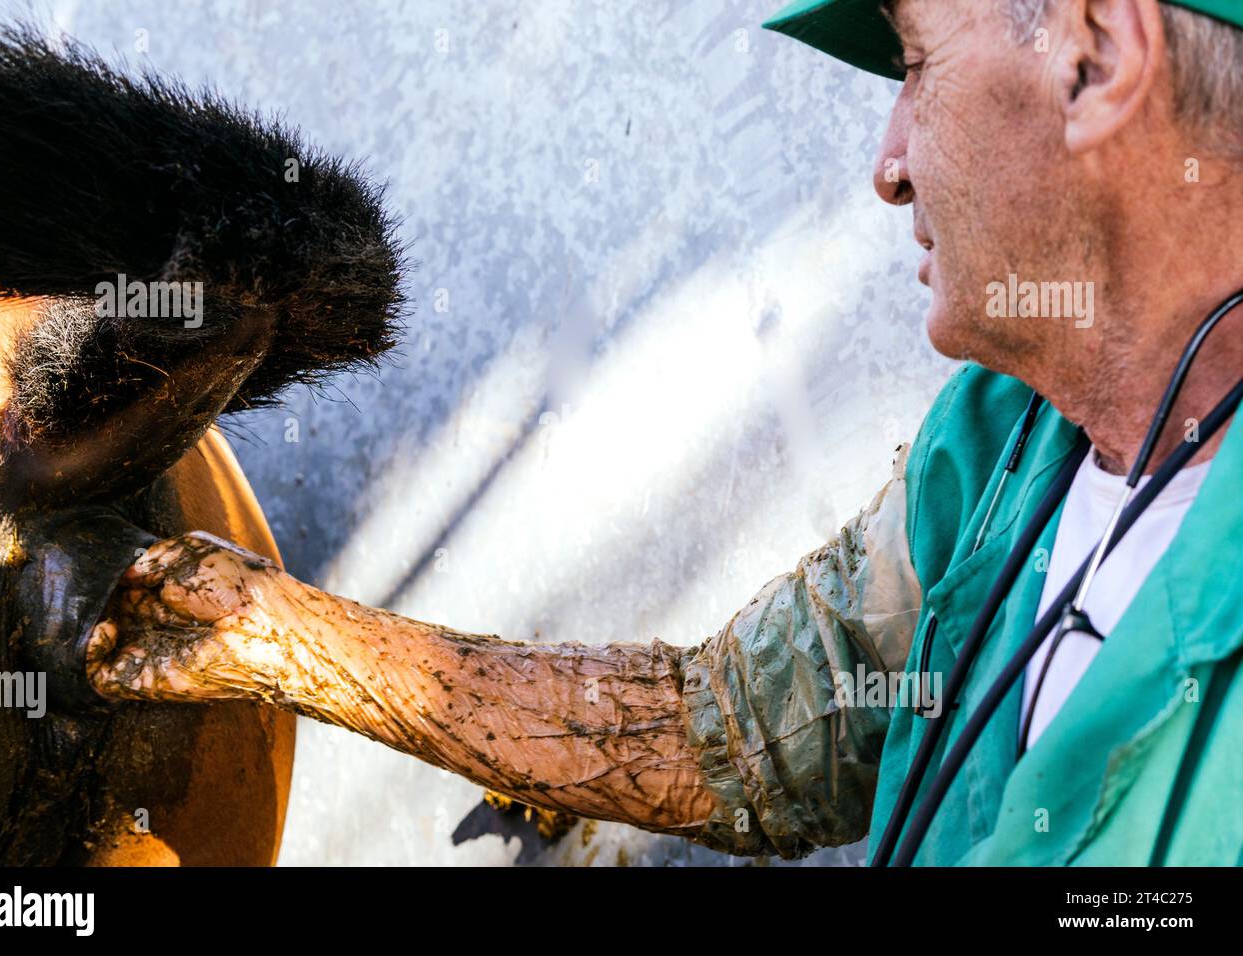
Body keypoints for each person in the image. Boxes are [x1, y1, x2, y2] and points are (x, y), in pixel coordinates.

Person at [91, 0, 1243, 865]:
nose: (887, 168)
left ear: (1096, 57)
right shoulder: (997, 446)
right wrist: (281, 635)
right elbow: (729, 726)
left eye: (913, 65)